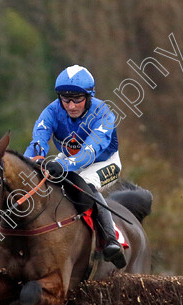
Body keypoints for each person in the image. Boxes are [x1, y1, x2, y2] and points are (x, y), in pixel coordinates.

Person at [23, 64, 126, 268]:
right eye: (65, 99)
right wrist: (30, 162)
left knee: (85, 185)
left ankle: (110, 240)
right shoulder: (51, 111)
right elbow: (38, 142)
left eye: (77, 99)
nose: (70, 106)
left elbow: (89, 151)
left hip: (103, 161)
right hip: (68, 158)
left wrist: (61, 163)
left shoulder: (103, 113)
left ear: (89, 96)